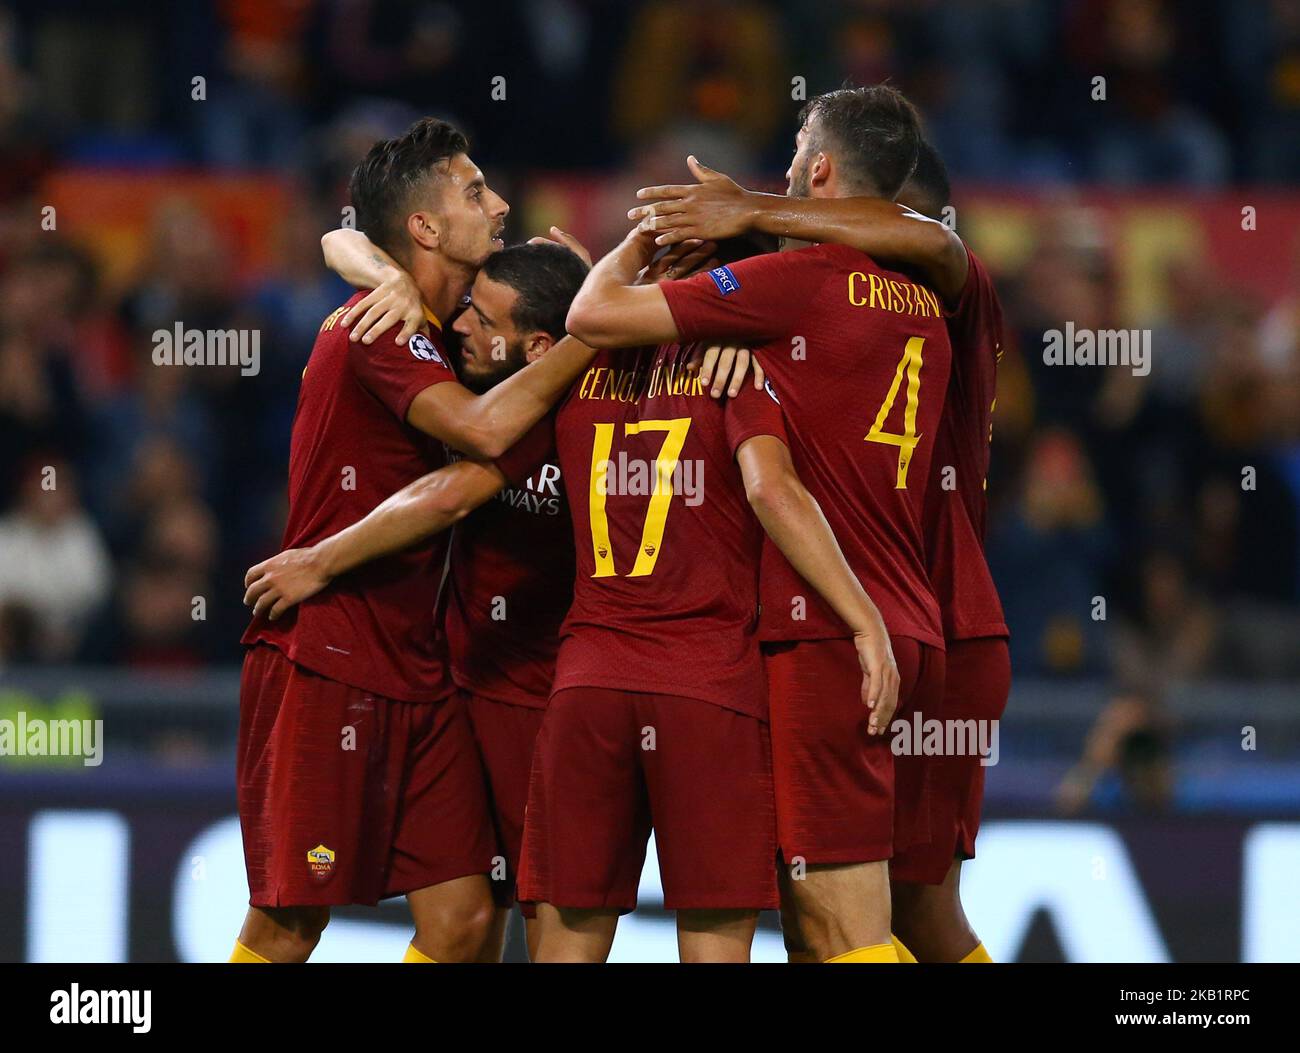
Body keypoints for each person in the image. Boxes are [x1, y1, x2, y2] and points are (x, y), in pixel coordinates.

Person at [565, 85, 951, 963]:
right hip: (908, 615)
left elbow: (591, 318)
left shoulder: (793, 286)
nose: (769, 186)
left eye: (786, 168)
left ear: (818, 169)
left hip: (832, 629)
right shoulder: (927, 297)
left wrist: (656, 244)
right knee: (820, 931)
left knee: (841, 923)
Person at [629, 136, 1010, 963]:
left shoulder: (949, 284)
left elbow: (916, 240)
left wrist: (751, 216)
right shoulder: (860, 310)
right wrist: (742, 301)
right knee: (870, 915)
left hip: (891, 622)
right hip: (931, 622)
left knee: (867, 914)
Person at [231, 118, 598, 964]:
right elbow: (475, 433)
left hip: (419, 669)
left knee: (467, 920)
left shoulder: (439, 332)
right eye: (474, 191)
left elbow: (466, 474)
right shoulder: (381, 327)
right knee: (289, 924)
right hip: (328, 650)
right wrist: (593, 328)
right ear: (425, 228)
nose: (499, 203)